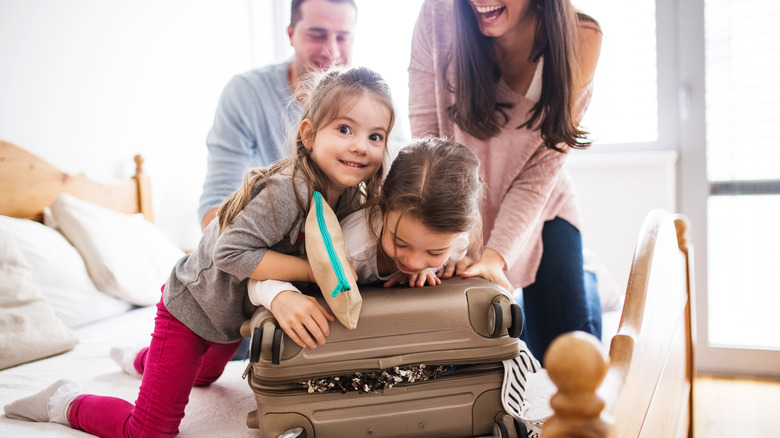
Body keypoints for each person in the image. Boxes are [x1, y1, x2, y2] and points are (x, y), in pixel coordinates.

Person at [3, 66, 396, 438]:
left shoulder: (348, 196)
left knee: (204, 378)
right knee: (149, 431)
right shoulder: (287, 189)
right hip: (191, 308)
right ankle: (63, 400)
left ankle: (139, 360)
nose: (361, 146)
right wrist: (313, 271)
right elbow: (232, 253)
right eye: (345, 129)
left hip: (231, 316)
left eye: (375, 136)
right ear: (309, 135)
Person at [408, 0, 604, 361]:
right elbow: (427, 138)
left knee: (567, 356)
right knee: (494, 347)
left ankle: (585, 271)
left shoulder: (581, 38)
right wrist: (454, 241)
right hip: (462, 207)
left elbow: (541, 172)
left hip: (541, 208)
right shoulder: (439, 14)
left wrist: (496, 257)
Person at [248, 137, 483, 348]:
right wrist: (279, 296)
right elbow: (256, 275)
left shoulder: (457, 241)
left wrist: (440, 267)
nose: (414, 261)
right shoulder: (352, 247)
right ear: (382, 205)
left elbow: (454, 256)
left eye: (434, 251)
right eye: (400, 243)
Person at [198, 0, 358, 231]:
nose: (331, 51)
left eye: (343, 37)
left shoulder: (374, 101)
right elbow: (215, 209)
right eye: (317, 35)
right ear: (291, 35)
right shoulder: (245, 94)